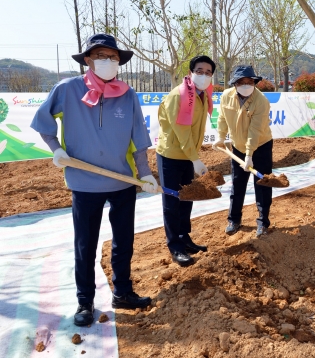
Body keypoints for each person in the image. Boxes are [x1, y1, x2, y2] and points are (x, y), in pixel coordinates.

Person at [30, 33, 157, 327]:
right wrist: (57, 149)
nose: (108, 62)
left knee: (123, 241)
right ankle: (84, 301)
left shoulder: (127, 93)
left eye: (113, 57)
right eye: (101, 56)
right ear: (88, 60)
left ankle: (123, 291)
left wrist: (145, 173)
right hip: (84, 182)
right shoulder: (68, 89)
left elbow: (138, 137)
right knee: (85, 244)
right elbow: (43, 122)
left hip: (123, 180)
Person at [156, 55, 215, 266]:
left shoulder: (203, 96)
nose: (204, 75)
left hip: (188, 157)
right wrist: (195, 159)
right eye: (200, 71)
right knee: (172, 202)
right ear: (191, 72)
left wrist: (193, 158)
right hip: (171, 156)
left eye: (208, 72)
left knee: (186, 199)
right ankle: (175, 246)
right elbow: (181, 132)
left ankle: (185, 238)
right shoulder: (179, 95)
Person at [213, 65, 273, 237]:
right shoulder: (226, 96)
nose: (246, 85)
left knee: (262, 184)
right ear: (235, 83)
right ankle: (234, 219)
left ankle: (263, 222)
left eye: (250, 82)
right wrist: (220, 136)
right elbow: (223, 117)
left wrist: (249, 155)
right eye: (242, 82)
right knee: (237, 184)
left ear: (254, 82)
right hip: (237, 147)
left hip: (260, 146)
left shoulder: (261, 101)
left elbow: (255, 131)